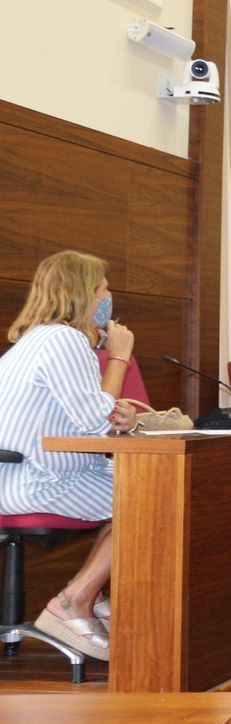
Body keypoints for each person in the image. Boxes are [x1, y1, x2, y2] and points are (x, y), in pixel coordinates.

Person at [0, 251, 142, 662]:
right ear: (83, 295)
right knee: (149, 497)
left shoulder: (39, 338)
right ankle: (74, 601)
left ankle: (91, 595)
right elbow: (95, 423)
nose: (108, 296)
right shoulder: (65, 339)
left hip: (22, 476)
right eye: (103, 289)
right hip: (37, 483)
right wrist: (118, 357)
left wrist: (122, 416)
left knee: (134, 488)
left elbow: (88, 415)